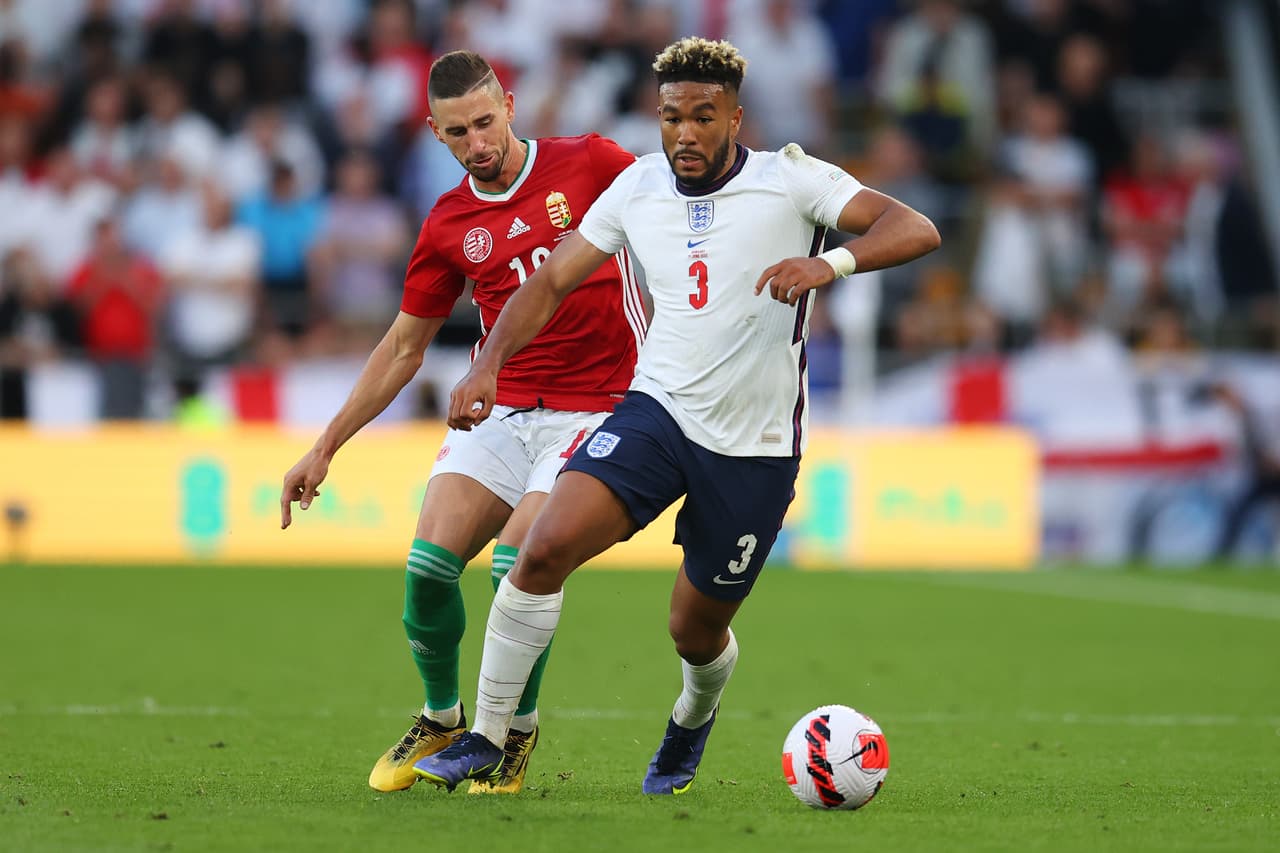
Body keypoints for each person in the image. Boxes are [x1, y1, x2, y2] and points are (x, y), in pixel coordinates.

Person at [415, 37, 939, 794]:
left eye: (702, 116)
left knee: (693, 630)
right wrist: (487, 362)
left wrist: (830, 263)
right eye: (670, 117)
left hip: (753, 447)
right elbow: (552, 280)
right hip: (655, 413)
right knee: (539, 550)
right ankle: (489, 736)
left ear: (735, 117)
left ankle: (693, 715)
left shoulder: (788, 178)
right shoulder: (636, 190)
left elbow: (914, 225)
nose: (684, 133)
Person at [278, 50, 643, 795]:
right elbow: (404, 346)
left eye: (485, 121)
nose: (478, 142)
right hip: (503, 408)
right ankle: (441, 715)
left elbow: (680, 208)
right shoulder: (449, 222)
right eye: (458, 132)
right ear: (434, 133)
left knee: (519, 566)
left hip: (600, 405)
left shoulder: (593, 162)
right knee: (427, 571)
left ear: (508, 104)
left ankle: (511, 731)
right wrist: (325, 446)